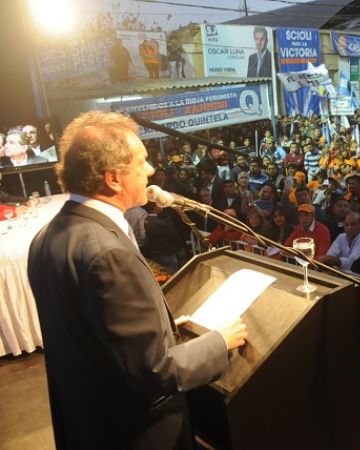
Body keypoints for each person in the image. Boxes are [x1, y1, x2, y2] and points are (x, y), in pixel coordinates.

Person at [27, 111, 247, 449]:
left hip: (87, 424)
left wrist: (165, 328)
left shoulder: (46, 237)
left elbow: (93, 333)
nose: (150, 171)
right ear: (113, 178)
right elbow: (154, 371)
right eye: (141, 162)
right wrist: (219, 342)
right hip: (135, 433)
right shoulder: (107, 253)